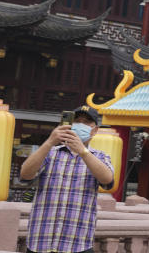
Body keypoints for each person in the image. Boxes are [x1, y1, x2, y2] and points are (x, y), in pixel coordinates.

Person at [20, 106, 114, 253]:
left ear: (95, 130)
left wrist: (83, 151)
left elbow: (108, 180)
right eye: (77, 121)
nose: (80, 125)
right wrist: (50, 141)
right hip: (40, 240)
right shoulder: (49, 153)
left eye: (87, 122)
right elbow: (25, 175)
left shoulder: (100, 157)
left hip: (78, 244)